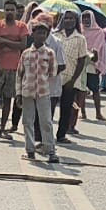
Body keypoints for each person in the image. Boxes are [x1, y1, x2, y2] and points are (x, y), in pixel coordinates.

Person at [0, 0, 28, 138]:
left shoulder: (22, 26)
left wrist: (3, 41)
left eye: (12, 10)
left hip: (14, 68)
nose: (9, 12)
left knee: (8, 99)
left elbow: (22, 45)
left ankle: (2, 130)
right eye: (7, 9)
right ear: (4, 11)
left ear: (16, 11)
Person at [19, 21, 60, 164]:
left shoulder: (49, 53)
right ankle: (30, 150)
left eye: (44, 33)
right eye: (38, 32)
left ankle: (50, 151)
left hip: (43, 92)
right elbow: (20, 74)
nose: (41, 35)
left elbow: (53, 72)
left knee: (46, 122)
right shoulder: (25, 53)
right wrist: (18, 93)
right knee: (27, 121)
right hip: (27, 92)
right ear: (33, 34)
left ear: (47, 35)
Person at [53, 10, 89, 144]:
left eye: (72, 19)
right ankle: (46, 135)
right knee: (49, 108)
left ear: (76, 22)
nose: (68, 21)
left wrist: (73, 80)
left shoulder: (80, 39)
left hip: (70, 79)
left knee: (66, 108)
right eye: (66, 18)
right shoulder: (55, 35)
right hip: (55, 77)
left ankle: (61, 134)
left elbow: (81, 61)